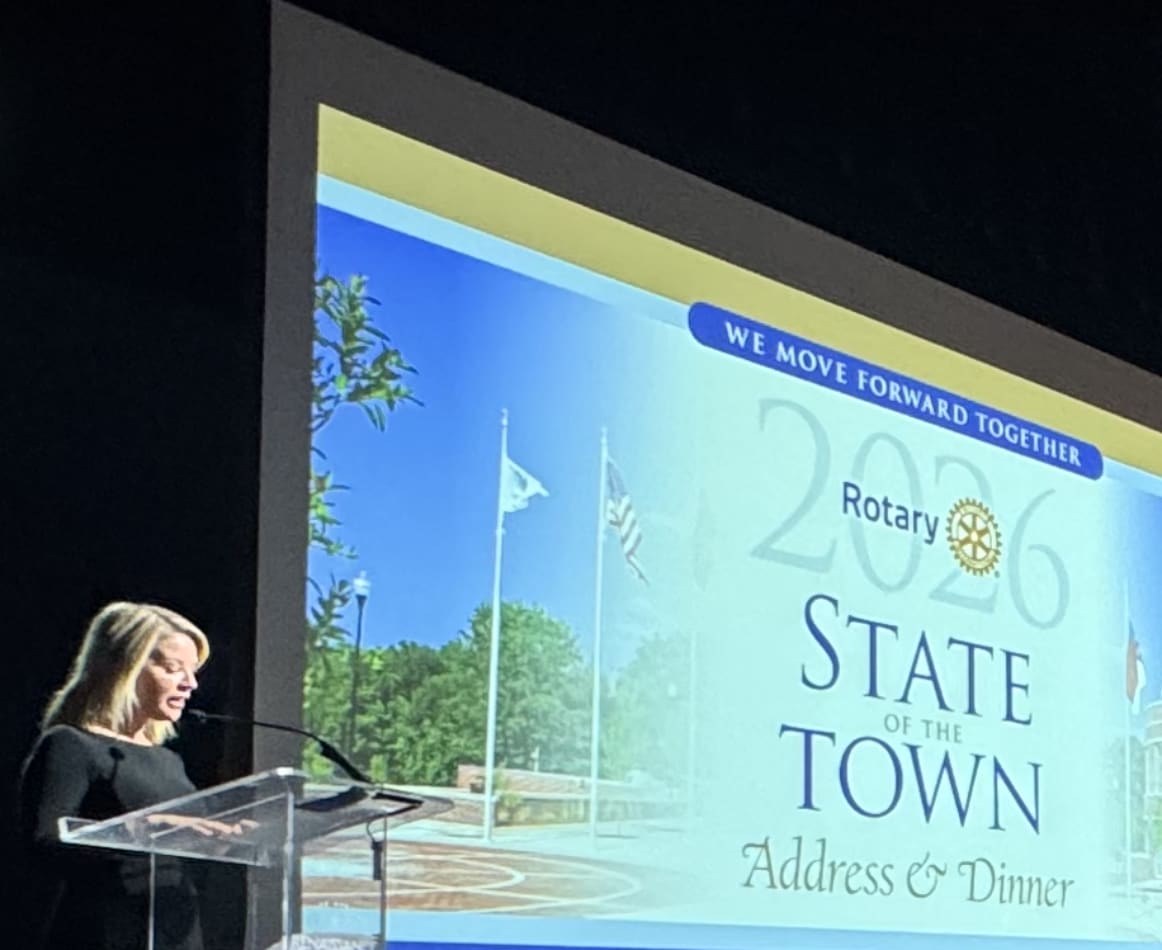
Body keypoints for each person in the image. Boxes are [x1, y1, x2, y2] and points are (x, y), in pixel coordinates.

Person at [18, 601, 238, 950]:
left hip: (175, 928)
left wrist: (228, 838)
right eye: (172, 668)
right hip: (105, 931)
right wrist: (145, 828)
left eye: (193, 671)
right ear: (124, 667)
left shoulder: (169, 761)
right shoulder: (71, 744)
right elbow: (45, 843)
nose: (190, 684)